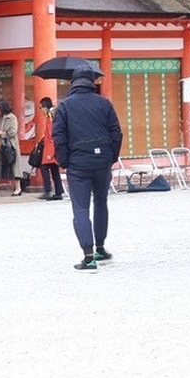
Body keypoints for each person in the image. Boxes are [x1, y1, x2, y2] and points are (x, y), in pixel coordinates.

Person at [53, 64, 122, 270]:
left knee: (81, 208)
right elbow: (116, 133)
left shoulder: (65, 106)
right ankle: (100, 247)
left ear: (73, 82)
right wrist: (111, 157)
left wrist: (64, 161)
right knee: (101, 203)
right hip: (102, 161)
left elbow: (59, 137)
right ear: (92, 82)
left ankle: (89, 256)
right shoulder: (104, 103)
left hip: (78, 163)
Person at [37, 96, 64, 201]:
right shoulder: (53, 115)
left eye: (41, 108)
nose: (41, 110)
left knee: (44, 167)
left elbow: (52, 135)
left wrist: (50, 152)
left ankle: (48, 190)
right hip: (53, 147)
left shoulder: (51, 116)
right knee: (54, 169)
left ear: (45, 107)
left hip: (51, 148)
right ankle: (58, 191)